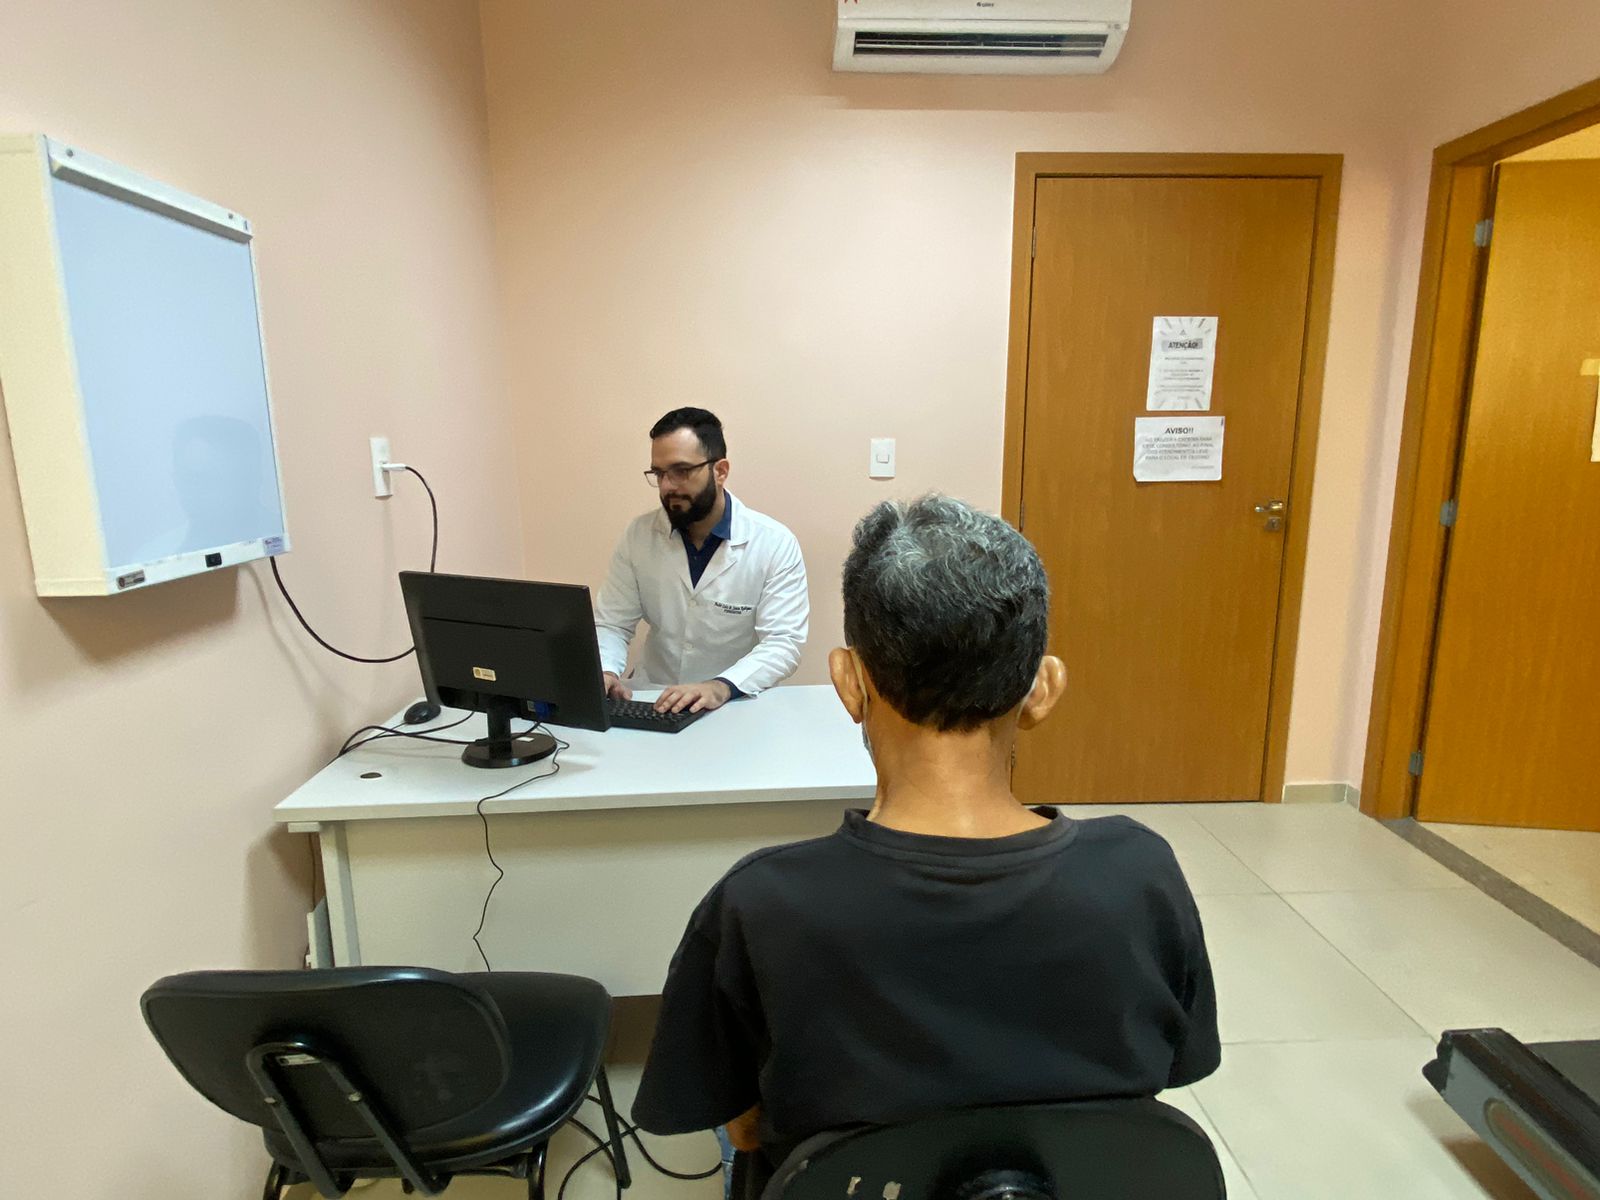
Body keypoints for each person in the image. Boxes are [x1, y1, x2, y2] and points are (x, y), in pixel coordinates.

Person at [632, 494, 1219, 1175]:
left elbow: (741, 1126)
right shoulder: (1141, 872)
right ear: (1043, 688)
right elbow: (1172, 1071)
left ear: (849, 684)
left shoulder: (761, 902)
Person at [594, 408, 808, 713]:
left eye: (681, 471)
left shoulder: (773, 543)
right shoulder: (639, 535)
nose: (668, 486)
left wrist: (721, 686)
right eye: (659, 474)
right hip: (654, 697)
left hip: (732, 702)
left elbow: (783, 643)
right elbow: (613, 623)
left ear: (720, 471)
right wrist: (606, 671)